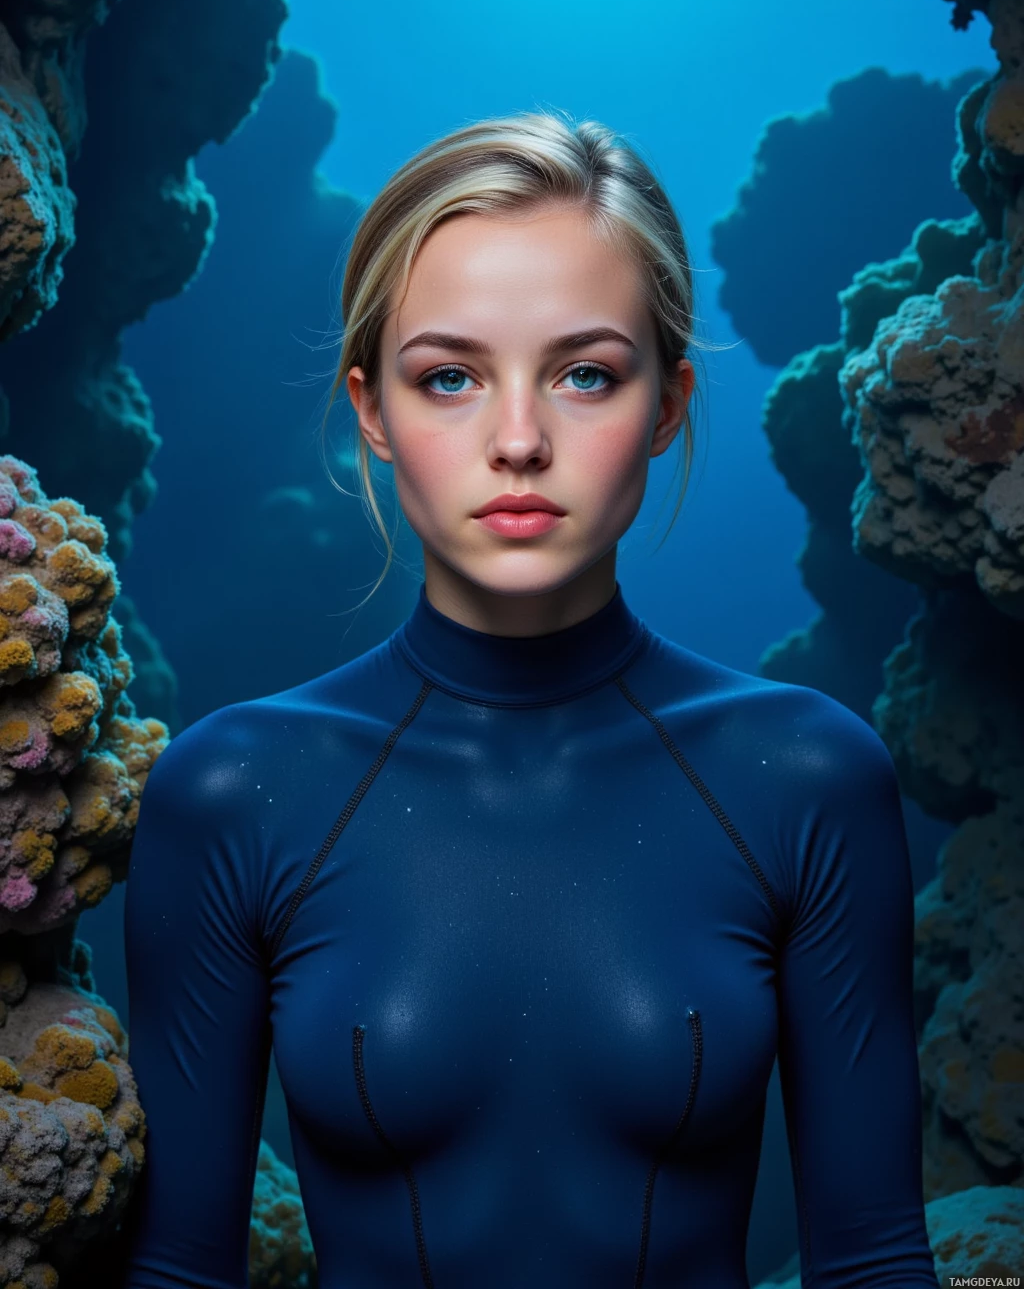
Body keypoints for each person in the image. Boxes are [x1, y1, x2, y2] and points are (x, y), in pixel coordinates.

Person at [122, 112, 939, 1288]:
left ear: (666, 404)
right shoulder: (233, 791)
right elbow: (180, 1273)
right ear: (370, 411)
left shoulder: (805, 775)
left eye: (585, 374)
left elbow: (872, 1261)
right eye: (448, 377)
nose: (517, 440)